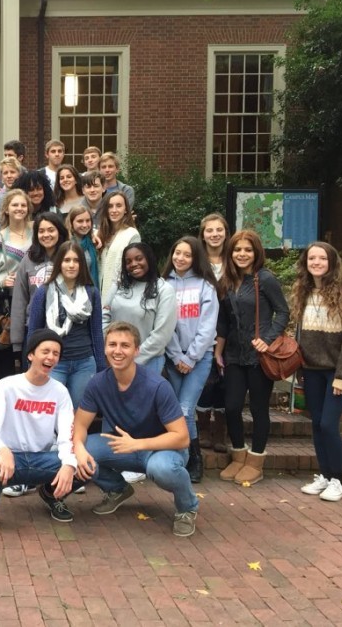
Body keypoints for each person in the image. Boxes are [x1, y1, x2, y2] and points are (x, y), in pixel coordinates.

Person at [72, 322, 199, 537]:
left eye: (125, 345)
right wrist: (78, 448)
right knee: (80, 451)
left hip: (163, 450)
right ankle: (117, 489)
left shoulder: (157, 386)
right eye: (112, 344)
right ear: (105, 349)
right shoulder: (97, 383)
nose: (118, 351)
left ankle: (187, 508)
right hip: (125, 447)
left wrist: (138, 444)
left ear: (136, 350)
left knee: (163, 469)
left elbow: (182, 438)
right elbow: (81, 425)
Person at [0, 329, 77, 532]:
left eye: (56, 353)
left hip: (43, 459)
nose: (51, 357)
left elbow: (67, 434)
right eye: (45, 351)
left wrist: (69, 466)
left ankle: (51, 493)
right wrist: (3, 450)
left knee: (83, 465)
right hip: (12, 461)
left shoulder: (60, 392)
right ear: (31, 355)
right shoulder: (8, 386)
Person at [215, 230, 290, 486]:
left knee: (259, 409)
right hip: (234, 354)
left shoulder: (264, 279)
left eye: (247, 250)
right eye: (237, 250)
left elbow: (283, 312)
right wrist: (218, 351)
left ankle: (256, 461)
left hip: (259, 356)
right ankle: (238, 455)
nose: (242, 254)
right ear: (230, 253)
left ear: (256, 252)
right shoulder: (226, 281)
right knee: (232, 406)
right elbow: (223, 321)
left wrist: (267, 339)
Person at [292, 242, 342, 502]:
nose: (317, 262)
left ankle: (338, 481)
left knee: (328, 425)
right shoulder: (303, 292)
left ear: (332, 262)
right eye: (312, 258)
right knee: (317, 426)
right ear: (306, 262)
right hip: (311, 371)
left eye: (322, 258)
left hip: (336, 373)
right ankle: (324, 475)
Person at [162, 237, 220, 483]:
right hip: (173, 358)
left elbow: (208, 327)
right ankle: (188, 458)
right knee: (179, 411)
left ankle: (190, 460)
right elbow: (164, 324)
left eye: (187, 254)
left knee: (185, 410)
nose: (181, 258)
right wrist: (176, 356)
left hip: (200, 358)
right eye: (177, 253)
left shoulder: (206, 286)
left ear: (196, 258)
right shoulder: (164, 285)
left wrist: (191, 356)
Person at [27, 241, 106, 404]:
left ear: (82, 264)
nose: (71, 265)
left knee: (79, 413)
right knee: (49, 412)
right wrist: (30, 364)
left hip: (85, 363)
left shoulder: (91, 292)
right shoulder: (44, 291)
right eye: (66, 260)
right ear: (59, 263)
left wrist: (101, 366)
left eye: (76, 261)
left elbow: (97, 332)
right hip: (53, 363)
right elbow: (34, 331)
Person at [0, 189, 32, 386]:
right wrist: (1, 281)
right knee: (7, 353)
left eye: (23, 205)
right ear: (7, 209)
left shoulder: (37, 233)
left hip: (31, 300)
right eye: (15, 205)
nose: (19, 208)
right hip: (7, 305)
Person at [103, 243, 177, 375]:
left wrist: (131, 358)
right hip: (115, 359)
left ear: (149, 259)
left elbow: (161, 335)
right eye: (128, 261)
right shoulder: (118, 286)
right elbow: (104, 317)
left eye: (139, 258)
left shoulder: (164, 290)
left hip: (148, 362)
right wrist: (112, 351)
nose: (133, 264)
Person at [9, 212, 69, 355]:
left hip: (66, 328)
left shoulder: (70, 256)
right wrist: (17, 342)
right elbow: (19, 300)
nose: (46, 235)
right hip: (34, 329)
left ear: (59, 231)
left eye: (51, 230)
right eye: (41, 231)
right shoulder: (28, 260)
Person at [196, 212, 230, 451]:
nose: (214, 234)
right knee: (205, 380)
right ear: (203, 234)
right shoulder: (197, 261)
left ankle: (220, 432)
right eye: (210, 230)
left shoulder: (234, 259)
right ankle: (203, 428)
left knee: (225, 381)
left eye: (219, 230)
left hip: (232, 328)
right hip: (203, 327)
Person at [97, 191, 140, 299]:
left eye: (119, 206)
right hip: (98, 291)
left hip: (120, 294)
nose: (114, 210)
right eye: (110, 206)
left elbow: (134, 268)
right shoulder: (99, 233)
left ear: (126, 209)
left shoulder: (132, 234)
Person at [65, 205, 100, 285]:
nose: (85, 225)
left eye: (88, 220)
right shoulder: (66, 244)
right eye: (80, 221)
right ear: (71, 222)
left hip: (91, 290)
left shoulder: (93, 242)